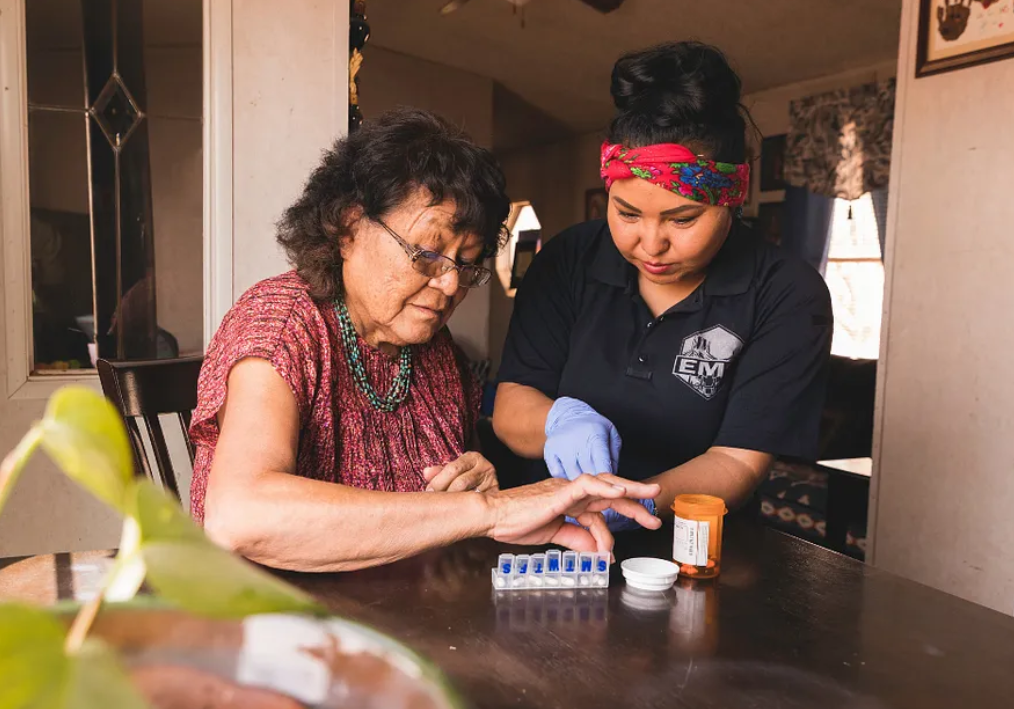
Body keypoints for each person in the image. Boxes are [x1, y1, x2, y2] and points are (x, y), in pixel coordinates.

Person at [190, 108, 660, 572]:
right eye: (429, 253)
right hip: (275, 621)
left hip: (402, 613)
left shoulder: (430, 348)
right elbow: (240, 515)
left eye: (467, 263)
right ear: (349, 226)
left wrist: (481, 481)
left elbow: (448, 498)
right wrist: (491, 512)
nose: (452, 285)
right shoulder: (282, 320)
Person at [492, 42, 833, 529]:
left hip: (697, 546)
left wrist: (638, 502)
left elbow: (738, 460)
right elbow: (512, 402)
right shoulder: (569, 259)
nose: (651, 244)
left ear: (733, 199)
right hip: (551, 529)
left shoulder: (786, 293)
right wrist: (559, 421)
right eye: (627, 213)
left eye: (683, 218)